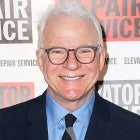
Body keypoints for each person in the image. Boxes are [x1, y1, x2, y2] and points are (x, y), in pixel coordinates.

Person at [0, 2, 140, 140]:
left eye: (84, 50)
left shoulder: (134, 130)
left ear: (101, 58)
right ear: (40, 60)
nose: (72, 64)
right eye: (58, 51)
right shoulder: (4, 126)